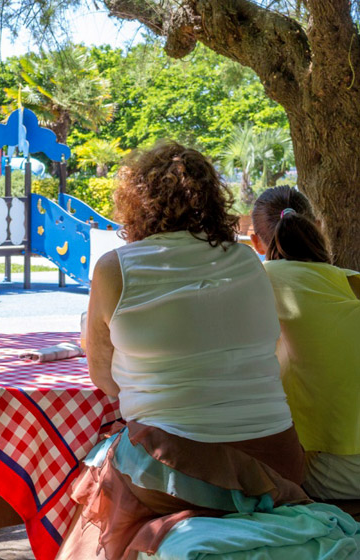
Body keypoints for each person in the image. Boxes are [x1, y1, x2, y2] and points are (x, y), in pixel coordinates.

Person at [57, 143, 307, 560]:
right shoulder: (247, 261)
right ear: (213, 199)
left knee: (103, 481)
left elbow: (104, 381)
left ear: (135, 204)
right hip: (279, 463)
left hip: (175, 472)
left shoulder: (115, 268)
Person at [251, 186, 360, 500]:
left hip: (328, 470)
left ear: (255, 240)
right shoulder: (351, 281)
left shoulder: (256, 281)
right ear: (317, 227)